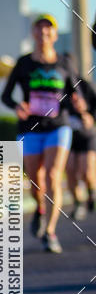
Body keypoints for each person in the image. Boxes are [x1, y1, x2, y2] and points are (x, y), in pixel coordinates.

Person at [1, 14, 78, 253]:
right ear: (33, 33)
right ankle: (40, 208)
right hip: (30, 128)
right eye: (39, 28)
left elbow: (74, 93)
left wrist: (78, 104)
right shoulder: (24, 63)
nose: (44, 33)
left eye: (49, 29)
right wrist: (17, 107)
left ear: (54, 35)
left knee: (54, 176)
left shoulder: (64, 63)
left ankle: (51, 232)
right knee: (36, 183)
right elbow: (6, 95)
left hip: (58, 127)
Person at [63, 60, 96, 221]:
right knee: (69, 169)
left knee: (87, 171)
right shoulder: (58, 87)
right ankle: (77, 203)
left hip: (86, 134)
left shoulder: (85, 86)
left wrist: (89, 116)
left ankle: (91, 192)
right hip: (67, 134)